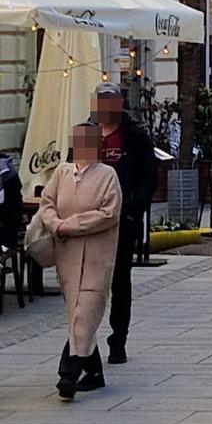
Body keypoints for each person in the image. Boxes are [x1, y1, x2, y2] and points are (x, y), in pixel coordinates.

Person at [37, 122, 122, 400]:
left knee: (85, 314)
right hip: (68, 257)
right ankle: (95, 373)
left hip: (97, 258)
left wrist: (72, 224)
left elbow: (109, 213)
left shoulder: (107, 175)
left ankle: (68, 374)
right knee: (78, 316)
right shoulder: (62, 172)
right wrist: (55, 225)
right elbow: (47, 204)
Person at [91, 82, 155, 366]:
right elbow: (72, 167)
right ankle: (85, 342)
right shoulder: (87, 133)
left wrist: (133, 208)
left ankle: (118, 340)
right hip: (89, 222)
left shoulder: (135, 136)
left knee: (119, 281)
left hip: (122, 221)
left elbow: (148, 177)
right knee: (89, 285)